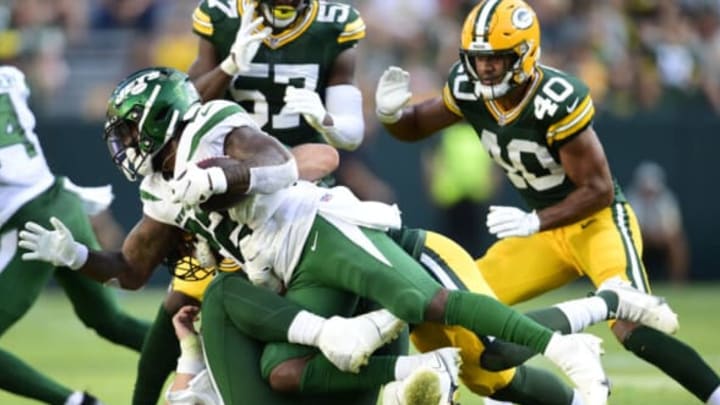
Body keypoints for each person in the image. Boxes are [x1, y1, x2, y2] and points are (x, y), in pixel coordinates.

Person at [373, 0, 720, 403]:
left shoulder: (554, 98)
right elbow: (414, 126)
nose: (484, 69)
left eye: (496, 60)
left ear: (524, 55)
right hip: (540, 231)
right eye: (478, 59)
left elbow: (599, 189)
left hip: (594, 222)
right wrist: (390, 115)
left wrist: (536, 221)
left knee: (634, 326)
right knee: (467, 311)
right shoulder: (470, 90)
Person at [132, 1, 369, 402]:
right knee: (178, 300)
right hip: (227, 193)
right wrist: (230, 64)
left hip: (299, 193)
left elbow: (349, 134)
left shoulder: (333, 23)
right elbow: (184, 109)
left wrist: (325, 121)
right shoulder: (222, 16)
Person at [0, 65, 150, 404]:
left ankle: (75, 403)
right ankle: (205, 355)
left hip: (29, 221)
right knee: (109, 319)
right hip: (58, 201)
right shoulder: (10, 76)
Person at [625, 161, 690, 283]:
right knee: (626, 243)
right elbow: (631, 227)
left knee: (678, 243)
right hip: (639, 239)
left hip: (660, 239)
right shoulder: (631, 199)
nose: (649, 193)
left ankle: (677, 282)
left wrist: (660, 235)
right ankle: (628, 281)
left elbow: (673, 227)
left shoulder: (666, 199)